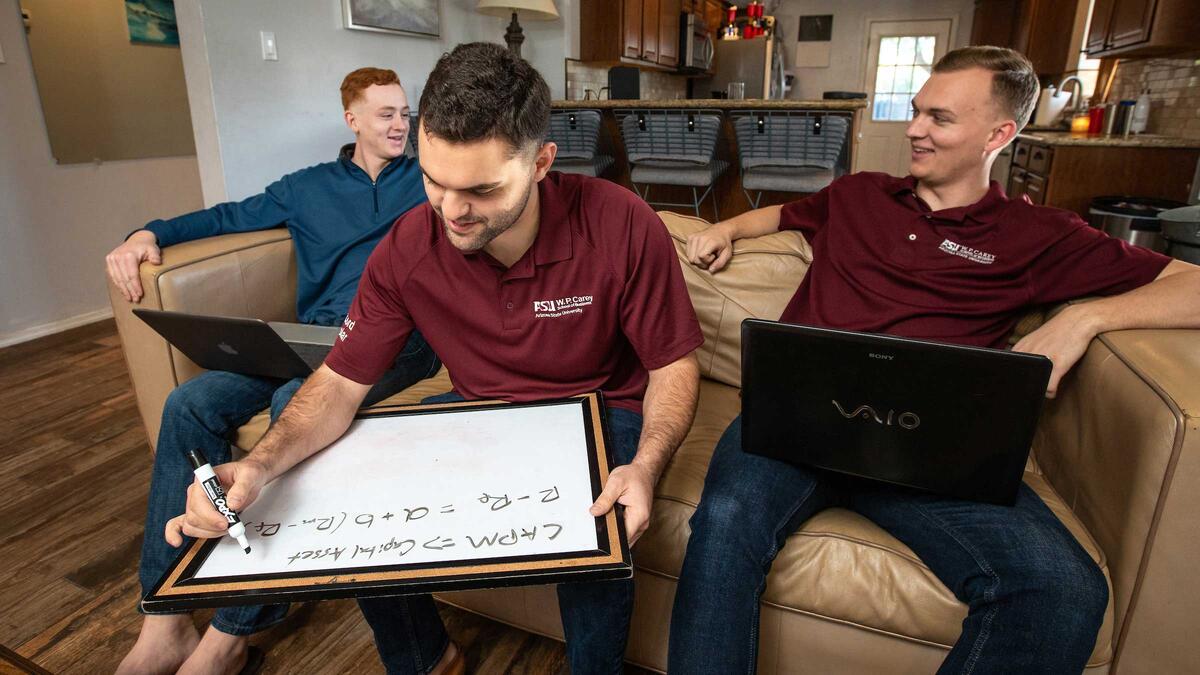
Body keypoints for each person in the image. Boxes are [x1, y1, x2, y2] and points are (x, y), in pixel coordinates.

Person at [172, 43, 704, 675]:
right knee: (347, 472)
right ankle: (425, 658)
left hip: (597, 409)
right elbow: (340, 383)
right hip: (479, 409)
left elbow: (673, 365)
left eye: (480, 189)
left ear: (541, 163)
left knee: (597, 523)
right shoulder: (408, 245)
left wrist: (644, 465)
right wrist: (257, 467)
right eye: (433, 180)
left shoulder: (621, 223)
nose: (451, 211)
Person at [670, 46, 1200, 674]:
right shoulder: (859, 194)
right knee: (725, 520)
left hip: (931, 451)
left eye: (940, 119)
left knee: (1063, 587)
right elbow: (785, 213)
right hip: (794, 424)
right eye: (917, 112)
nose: (914, 129)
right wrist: (728, 229)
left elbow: (1189, 281)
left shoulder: (1037, 235)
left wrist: (1085, 318)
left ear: (999, 134)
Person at [113, 68, 440, 675]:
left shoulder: (429, 179)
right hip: (306, 337)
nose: (401, 125)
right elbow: (225, 217)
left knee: (297, 399)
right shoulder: (306, 187)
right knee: (189, 402)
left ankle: (230, 636)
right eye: (386, 114)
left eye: (405, 114)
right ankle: (165, 619)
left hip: (398, 340)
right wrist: (146, 232)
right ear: (352, 119)